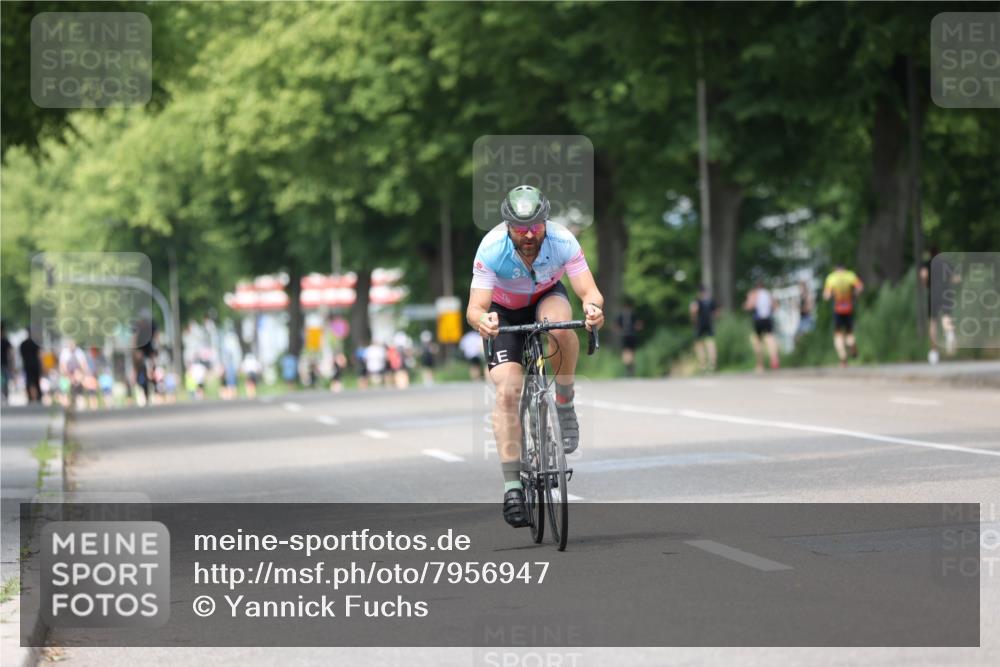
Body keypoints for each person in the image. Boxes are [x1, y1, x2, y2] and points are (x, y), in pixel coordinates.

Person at [467, 185, 604, 528]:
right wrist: (483, 321)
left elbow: (589, 292)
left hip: (546, 296)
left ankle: (564, 399)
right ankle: (513, 485)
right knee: (508, 390)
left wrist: (592, 309)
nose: (529, 235)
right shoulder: (491, 247)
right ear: (507, 225)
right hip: (504, 310)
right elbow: (475, 308)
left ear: (546, 222)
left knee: (560, 328)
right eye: (520, 228)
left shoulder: (563, 241)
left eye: (536, 227)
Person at [823, 264, 864, 368]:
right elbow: (860, 288)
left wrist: (831, 296)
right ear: (844, 268)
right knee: (849, 332)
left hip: (837, 310)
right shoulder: (850, 275)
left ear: (835, 269)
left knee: (838, 335)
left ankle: (843, 358)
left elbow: (826, 296)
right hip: (849, 308)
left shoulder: (831, 277)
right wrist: (855, 295)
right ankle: (852, 345)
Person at [743, 281, 780, 372]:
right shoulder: (768, 294)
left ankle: (760, 365)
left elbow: (750, 306)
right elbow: (775, 307)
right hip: (768, 319)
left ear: (756, 287)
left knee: (757, 341)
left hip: (758, 320)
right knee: (770, 338)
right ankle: (774, 358)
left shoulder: (754, 293)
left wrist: (745, 306)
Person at [689, 287, 717, 372]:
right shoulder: (711, 301)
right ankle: (713, 363)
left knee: (698, 344)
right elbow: (716, 313)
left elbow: (693, 310)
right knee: (711, 342)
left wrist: (693, 320)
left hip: (700, 324)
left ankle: (702, 364)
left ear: (699, 293)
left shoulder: (697, 301)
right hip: (709, 324)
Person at [615, 301, 643, 377]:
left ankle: (630, 368)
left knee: (631, 352)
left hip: (632, 335)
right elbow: (616, 325)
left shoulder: (633, 315)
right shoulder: (621, 316)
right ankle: (628, 368)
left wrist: (637, 327)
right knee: (626, 353)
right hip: (625, 336)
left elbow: (639, 324)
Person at [19, 335, 42, 403]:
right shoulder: (35, 343)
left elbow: (21, 355)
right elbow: (39, 354)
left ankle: (30, 397)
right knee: (36, 381)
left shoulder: (23, 344)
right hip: (35, 365)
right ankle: (38, 396)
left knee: (29, 381)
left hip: (27, 365)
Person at [1, 322, 12, 403]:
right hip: (5, 364)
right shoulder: (6, 341)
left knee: (4, 381)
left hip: (4, 364)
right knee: (5, 381)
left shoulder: (6, 341)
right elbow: (10, 354)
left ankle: (4, 396)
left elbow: (10, 354)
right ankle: (5, 396)